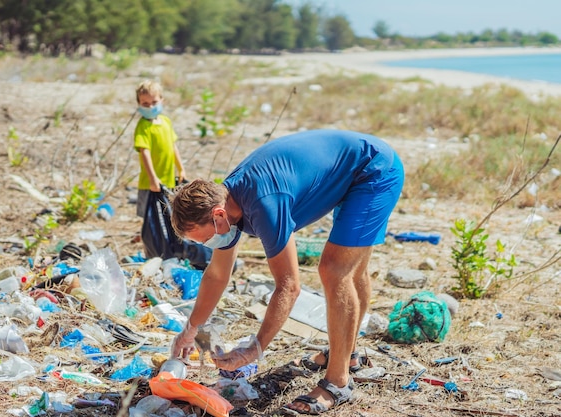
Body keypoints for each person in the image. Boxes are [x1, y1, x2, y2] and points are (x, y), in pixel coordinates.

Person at [169, 129, 405, 414]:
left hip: (374, 170)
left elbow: (289, 286)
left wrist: (255, 348)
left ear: (218, 215)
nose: (208, 245)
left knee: (334, 269)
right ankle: (347, 355)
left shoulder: (263, 203)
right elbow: (218, 274)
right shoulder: (228, 204)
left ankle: (338, 382)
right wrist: (191, 329)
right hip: (351, 169)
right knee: (350, 269)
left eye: (204, 239)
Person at [134, 79, 212, 269]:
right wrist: (153, 179)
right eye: (145, 103)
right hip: (150, 183)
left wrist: (181, 167)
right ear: (139, 104)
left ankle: (171, 250)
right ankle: (153, 252)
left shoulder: (166, 122)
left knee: (170, 217)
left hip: (168, 180)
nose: (150, 106)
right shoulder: (143, 127)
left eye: (154, 102)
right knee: (151, 220)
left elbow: (173, 146)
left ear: (162, 100)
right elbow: (144, 152)